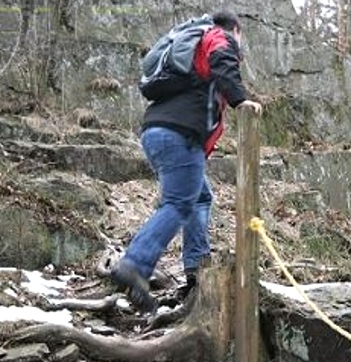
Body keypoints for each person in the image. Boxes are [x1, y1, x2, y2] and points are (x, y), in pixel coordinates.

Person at [112, 10, 263, 313]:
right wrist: (240, 101)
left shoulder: (189, 53)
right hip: (179, 135)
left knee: (199, 196)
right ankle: (135, 264)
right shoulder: (219, 36)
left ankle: (196, 267)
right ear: (236, 30)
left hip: (157, 132)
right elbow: (223, 61)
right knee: (179, 203)